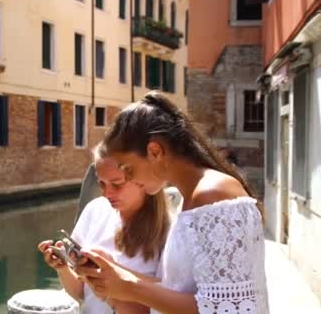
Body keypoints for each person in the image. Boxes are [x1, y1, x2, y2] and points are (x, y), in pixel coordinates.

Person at [75, 91, 269, 314]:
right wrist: (113, 272)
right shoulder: (193, 197)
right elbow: (181, 290)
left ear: (155, 151)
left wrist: (130, 289)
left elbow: (230, 308)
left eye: (128, 168)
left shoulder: (211, 193)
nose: (128, 178)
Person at [38, 142, 171, 314]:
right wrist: (63, 267)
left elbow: (164, 306)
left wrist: (111, 273)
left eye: (117, 184)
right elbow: (81, 293)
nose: (107, 194)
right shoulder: (95, 210)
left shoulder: (170, 231)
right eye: (102, 184)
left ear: (143, 180)